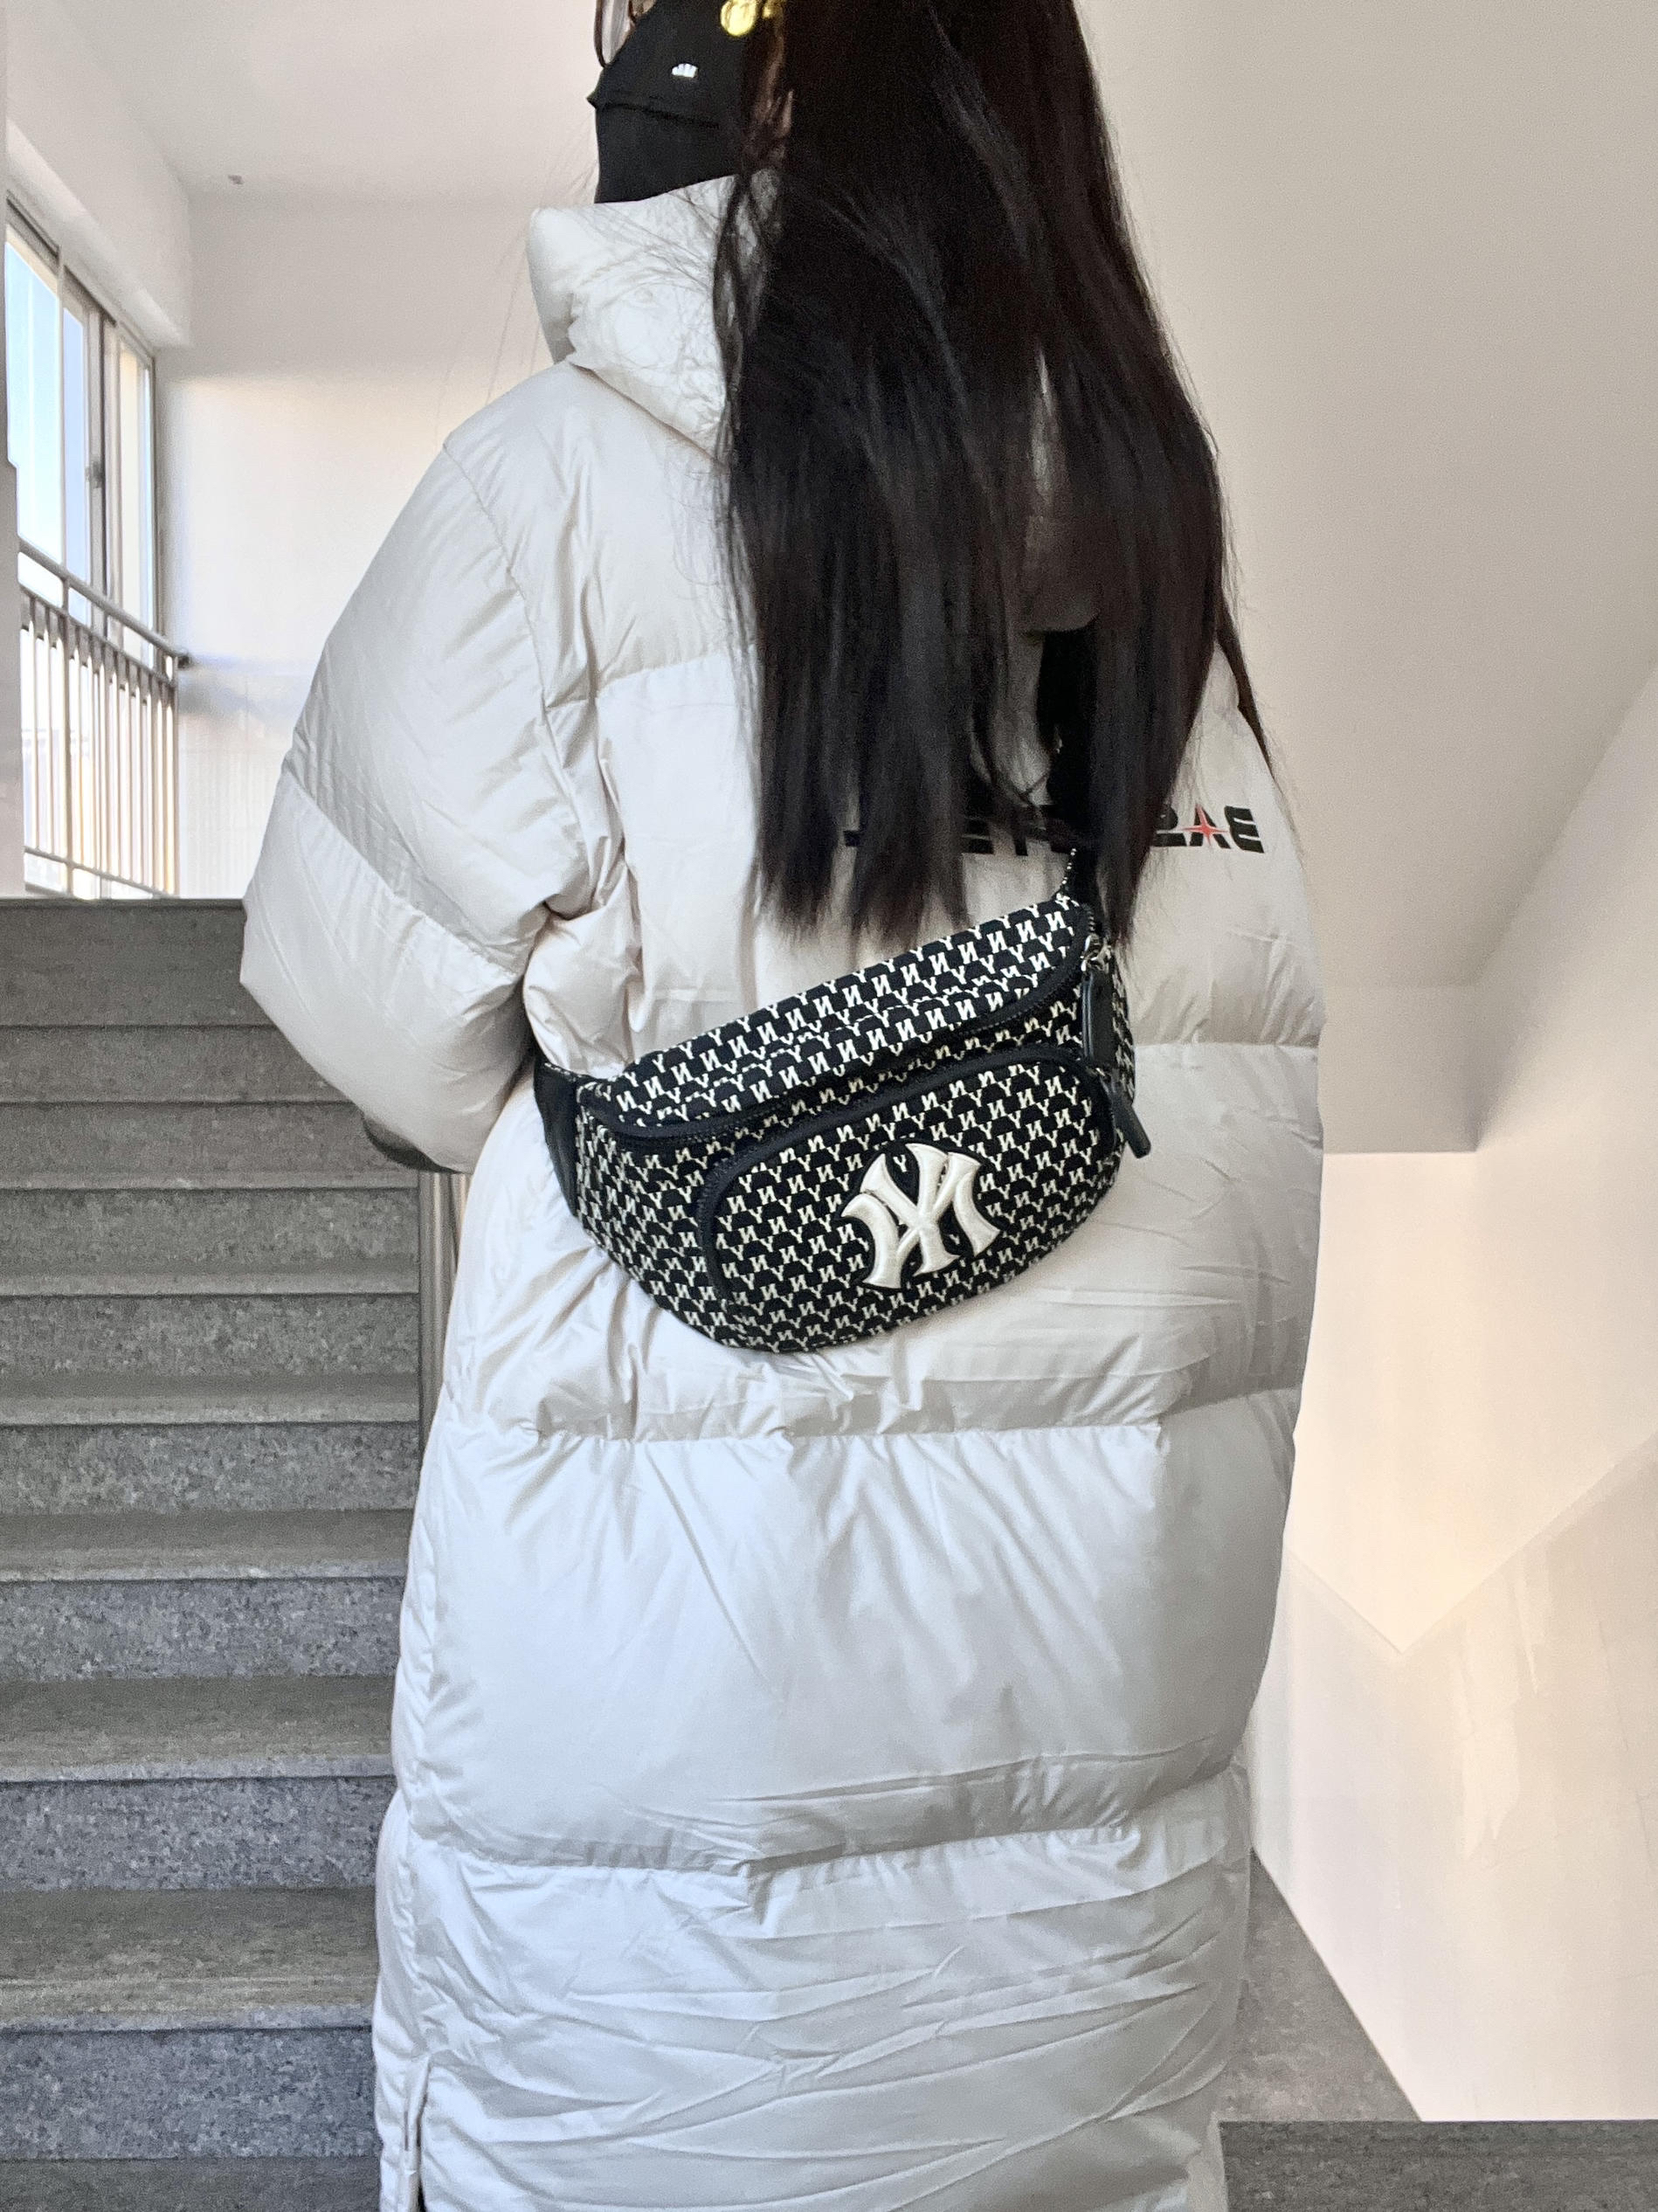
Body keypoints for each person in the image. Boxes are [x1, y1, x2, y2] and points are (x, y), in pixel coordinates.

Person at [241, 1, 1323, 2205]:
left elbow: (370, 1016)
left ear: (776, 99)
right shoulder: (1159, 562)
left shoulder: (547, 492)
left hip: (657, 1810)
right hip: (1089, 1822)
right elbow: (1239, 1059)